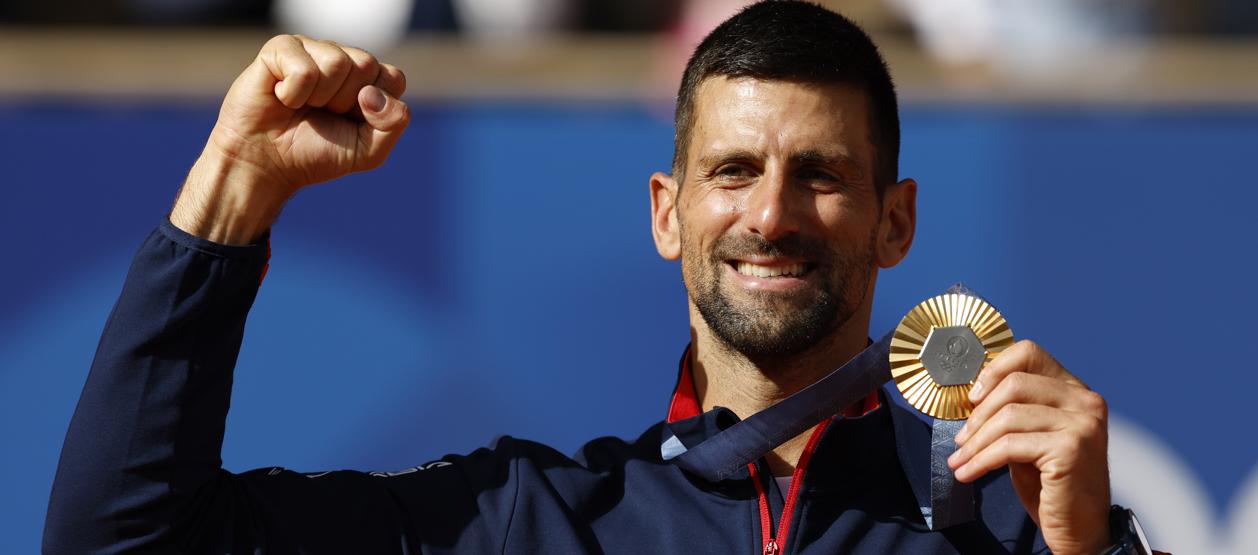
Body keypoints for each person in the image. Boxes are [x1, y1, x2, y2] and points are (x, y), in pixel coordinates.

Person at [44, 2, 1153, 554]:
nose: (770, 213)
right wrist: (230, 197)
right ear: (667, 216)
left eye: (818, 175)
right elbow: (121, 540)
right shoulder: (535, 520)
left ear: (894, 221)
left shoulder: (1009, 523)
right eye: (731, 171)